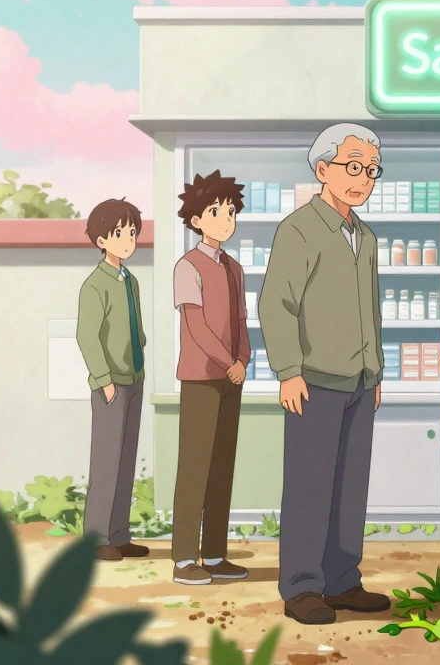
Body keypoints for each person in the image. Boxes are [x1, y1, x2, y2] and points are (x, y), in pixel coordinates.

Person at [260, 123, 390, 625]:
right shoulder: (299, 229)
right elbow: (277, 303)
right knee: (310, 485)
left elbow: (372, 309)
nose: (362, 179)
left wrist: (375, 372)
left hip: (359, 379)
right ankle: (301, 587)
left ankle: (342, 580)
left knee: (349, 485)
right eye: (352, 167)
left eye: (371, 171)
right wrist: (288, 371)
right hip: (313, 378)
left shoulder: (367, 237)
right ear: (323, 170)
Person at [171, 170, 251, 586]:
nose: (226, 219)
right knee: (195, 467)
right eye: (216, 211)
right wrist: (228, 361)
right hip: (201, 378)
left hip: (230, 378)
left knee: (222, 467)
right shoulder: (188, 266)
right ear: (196, 220)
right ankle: (185, 557)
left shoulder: (234, 268)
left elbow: (240, 320)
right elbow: (196, 327)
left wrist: (244, 357)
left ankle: (216, 554)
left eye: (231, 212)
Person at [75, 198, 150, 562]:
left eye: (132, 232)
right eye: (119, 233)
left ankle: (119, 534)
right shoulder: (95, 285)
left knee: (126, 460)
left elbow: (135, 327)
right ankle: (96, 537)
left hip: (134, 377)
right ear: (101, 239)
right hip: (110, 384)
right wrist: (102, 379)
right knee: (106, 462)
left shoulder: (130, 280)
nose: (127, 240)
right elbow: (87, 337)